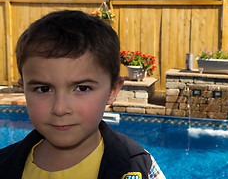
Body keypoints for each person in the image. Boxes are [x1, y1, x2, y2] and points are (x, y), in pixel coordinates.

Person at [0, 10, 166, 179]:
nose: (60, 108)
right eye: (43, 89)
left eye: (82, 88)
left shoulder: (138, 166)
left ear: (112, 90)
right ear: (24, 90)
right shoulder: (4, 164)